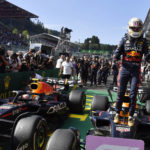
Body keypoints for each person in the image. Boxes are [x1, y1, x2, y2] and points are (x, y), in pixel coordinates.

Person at [113, 17, 150, 127]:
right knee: (120, 93)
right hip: (124, 69)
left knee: (133, 94)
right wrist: (115, 59)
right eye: (133, 28)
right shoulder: (124, 39)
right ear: (129, 28)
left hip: (135, 70)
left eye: (137, 28)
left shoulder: (144, 42)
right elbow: (117, 52)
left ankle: (130, 116)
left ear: (141, 28)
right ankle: (117, 113)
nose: (135, 30)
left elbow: (148, 56)